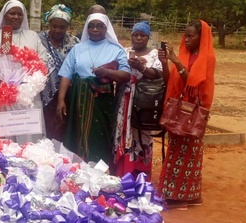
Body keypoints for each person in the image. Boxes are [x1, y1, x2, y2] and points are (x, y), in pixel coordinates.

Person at [57, 13, 131, 165]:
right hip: (78, 99)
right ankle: (74, 171)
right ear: (87, 28)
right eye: (91, 26)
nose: (95, 29)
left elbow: (126, 74)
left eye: (99, 26)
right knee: (75, 134)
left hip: (101, 101)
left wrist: (108, 72)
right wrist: (61, 100)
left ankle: (98, 170)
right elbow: (66, 74)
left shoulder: (116, 50)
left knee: (99, 135)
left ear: (106, 28)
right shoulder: (78, 49)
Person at [157, 20, 216, 209]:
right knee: (177, 151)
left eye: (191, 36)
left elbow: (194, 85)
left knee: (189, 154)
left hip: (192, 113)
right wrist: (165, 63)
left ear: (202, 37)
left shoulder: (207, 58)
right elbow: (170, 81)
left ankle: (180, 197)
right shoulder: (185, 54)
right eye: (186, 35)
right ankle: (189, 196)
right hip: (178, 110)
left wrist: (176, 60)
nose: (187, 39)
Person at [0, 0, 48, 143]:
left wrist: (30, 79)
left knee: (28, 132)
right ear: (5, 16)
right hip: (5, 92)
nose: (16, 17)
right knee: (6, 132)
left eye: (19, 14)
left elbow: (42, 60)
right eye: (12, 13)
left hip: (29, 92)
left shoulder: (33, 36)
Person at [113, 21, 163, 178]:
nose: (139, 38)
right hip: (124, 99)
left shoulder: (154, 54)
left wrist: (142, 67)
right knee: (122, 132)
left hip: (144, 101)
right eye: (136, 35)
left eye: (142, 35)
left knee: (143, 135)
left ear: (148, 37)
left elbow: (158, 74)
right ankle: (123, 172)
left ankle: (141, 174)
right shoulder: (124, 51)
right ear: (132, 36)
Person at [39, 4, 79, 142]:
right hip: (43, 93)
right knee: (45, 128)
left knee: (64, 127)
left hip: (68, 93)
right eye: (54, 26)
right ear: (49, 24)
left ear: (67, 26)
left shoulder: (74, 42)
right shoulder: (39, 40)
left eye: (62, 27)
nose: (58, 30)